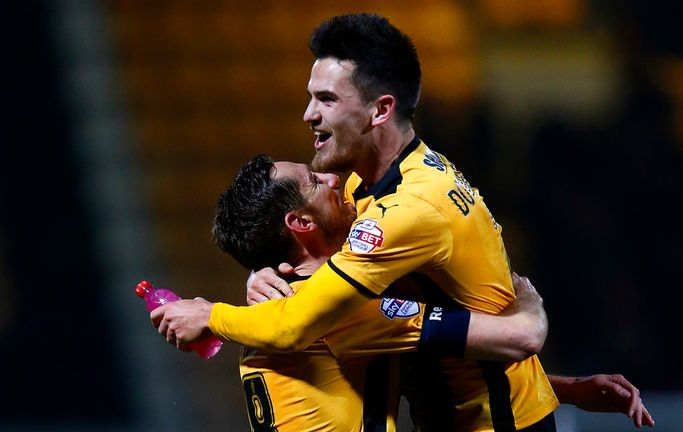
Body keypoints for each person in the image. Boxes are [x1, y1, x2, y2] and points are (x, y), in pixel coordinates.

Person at [151, 13, 653, 430]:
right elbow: (466, 332)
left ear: (380, 110)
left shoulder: (408, 214)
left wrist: (212, 312)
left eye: (326, 99)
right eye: (311, 96)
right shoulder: (363, 190)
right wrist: (264, 268)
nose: (308, 114)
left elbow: (308, 321)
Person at [219, 155, 652, 430]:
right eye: (315, 181)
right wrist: (530, 304)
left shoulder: (284, 301)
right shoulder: (342, 310)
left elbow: (416, 362)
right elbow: (519, 338)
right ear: (301, 224)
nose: (333, 178)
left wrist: (567, 389)